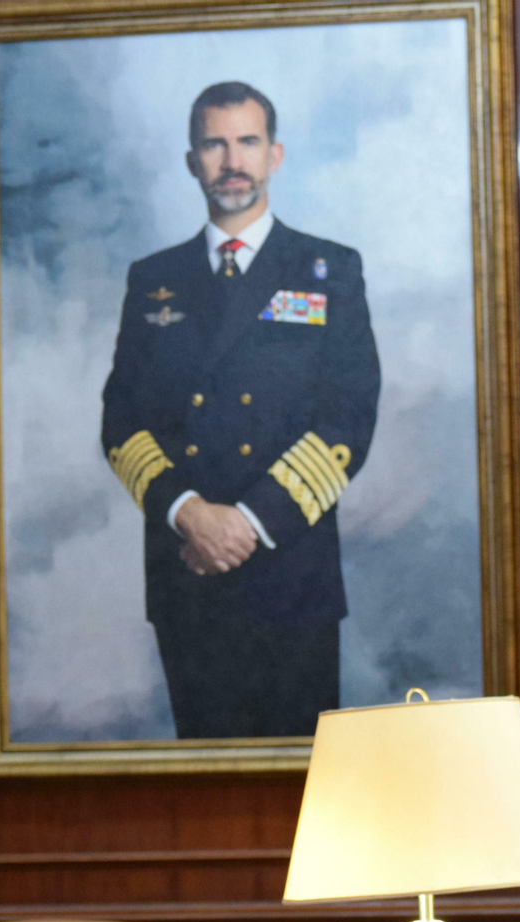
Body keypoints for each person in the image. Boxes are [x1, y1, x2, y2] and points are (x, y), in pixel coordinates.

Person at [100, 81, 380, 739]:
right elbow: (122, 419)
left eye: (247, 142)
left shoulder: (328, 270)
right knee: (203, 791)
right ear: (191, 160)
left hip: (291, 574)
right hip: (187, 573)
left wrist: (249, 523)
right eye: (214, 143)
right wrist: (190, 514)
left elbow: (349, 416)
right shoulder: (153, 279)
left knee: (308, 799)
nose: (232, 160)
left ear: (275, 155)